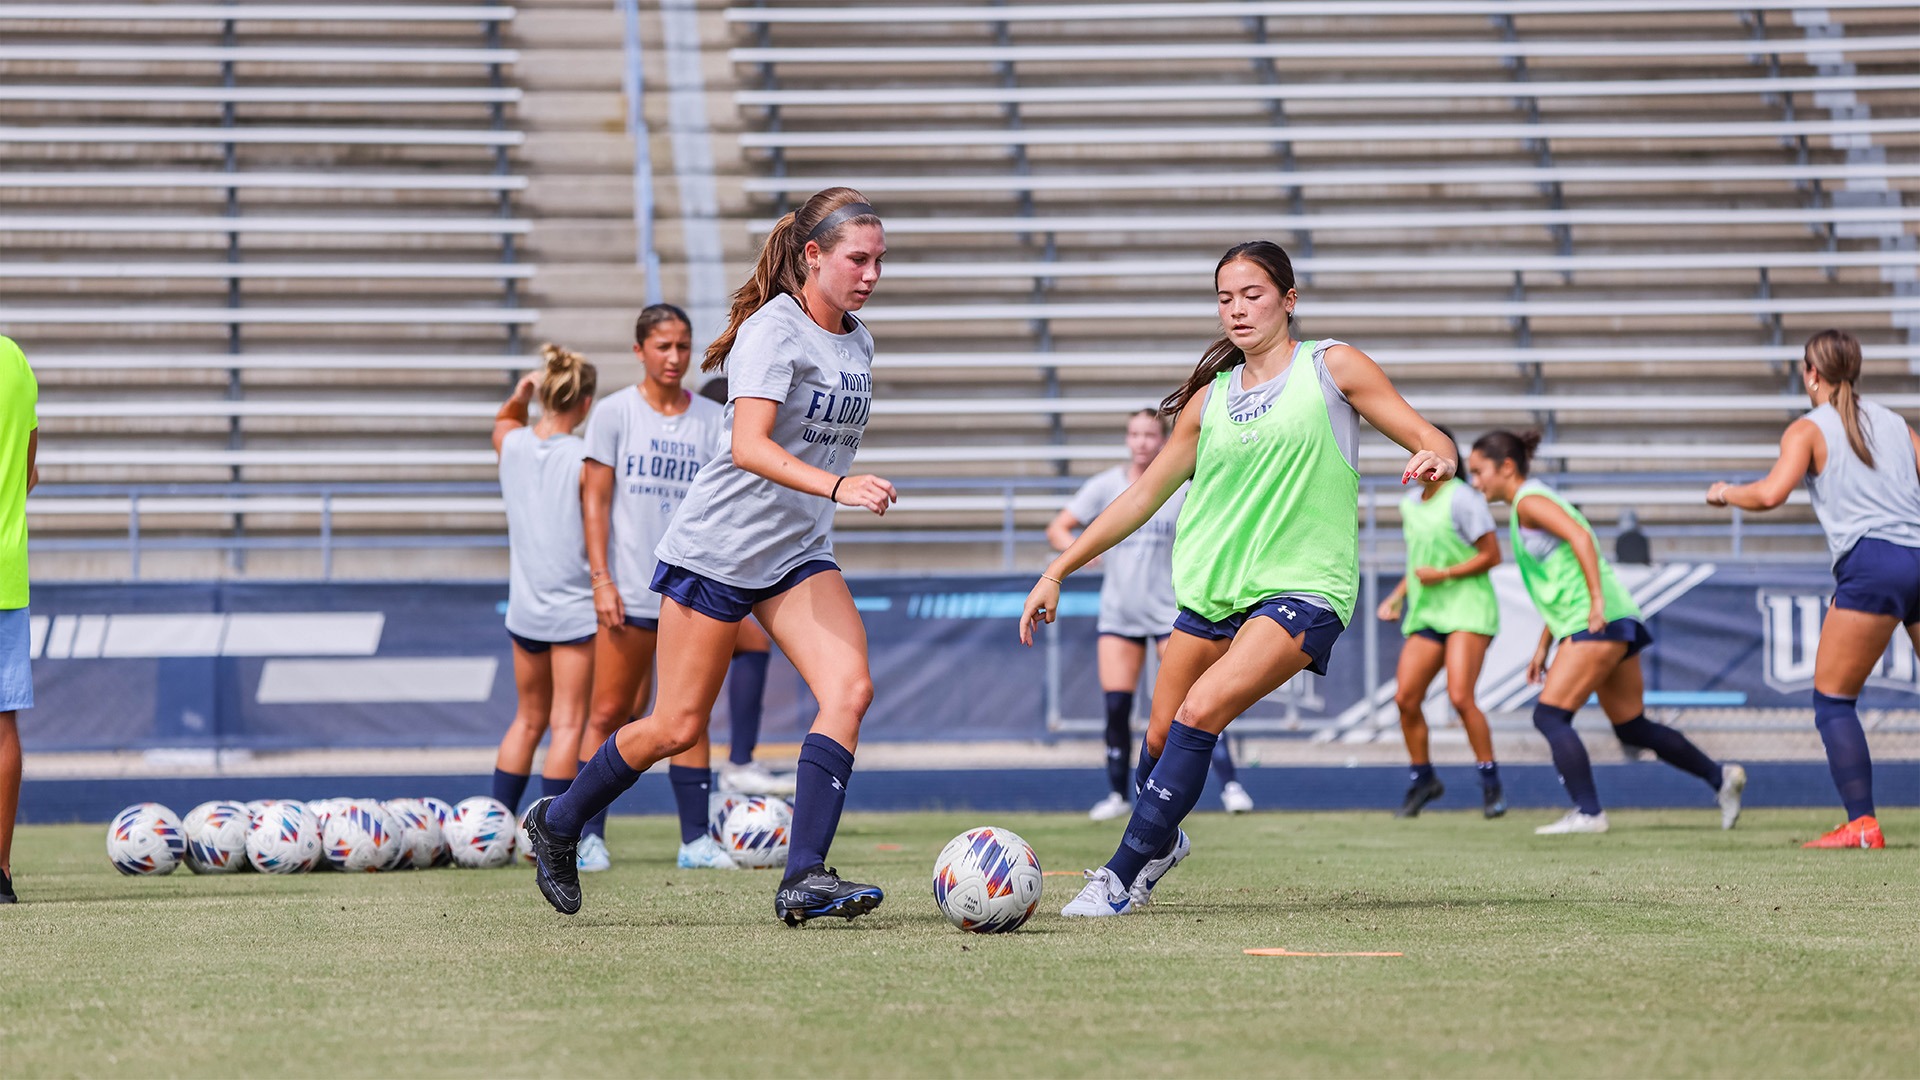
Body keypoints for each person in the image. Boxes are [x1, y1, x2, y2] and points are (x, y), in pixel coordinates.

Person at [1021, 240, 1458, 918]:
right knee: (1157, 745)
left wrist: (1439, 458)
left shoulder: (1332, 367)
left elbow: (1432, 437)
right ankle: (1162, 843)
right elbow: (1141, 498)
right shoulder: (1209, 400)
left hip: (1304, 588)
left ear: (1289, 299)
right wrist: (1057, 569)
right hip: (1211, 593)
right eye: (1225, 298)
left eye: (1252, 295)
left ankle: (1116, 879)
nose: (1237, 309)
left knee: (1200, 713)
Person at [524, 187, 893, 926]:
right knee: (676, 727)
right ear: (812, 256)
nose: (872, 275)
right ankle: (557, 823)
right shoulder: (772, 331)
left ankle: (804, 876)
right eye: (859, 259)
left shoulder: (859, 341)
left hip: (794, 553)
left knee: (850, 690)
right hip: (718, 551)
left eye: (880, 260)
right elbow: (748, 447)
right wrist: (838, 486)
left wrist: (827, 497)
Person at [1468, 430, 1747, 835]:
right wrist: (1544, 646)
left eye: (1479, 471)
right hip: (1615, 617)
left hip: (1595, 618)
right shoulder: (1531, 502)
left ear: (1506, 467)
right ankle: (1720, 777)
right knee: (1631, 725)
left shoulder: (1529, 501)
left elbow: (1581, 537)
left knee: (1550, 716)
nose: (1475, 481)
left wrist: (1595, 602)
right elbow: (1562, 579)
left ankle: (1589, 813)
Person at [1707, 328, 1920, 849]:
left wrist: (1726, 492)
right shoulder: (1897, 425)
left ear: (1811, 374)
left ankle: (1862, 824)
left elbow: (1770, 494)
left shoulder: (1807, 429)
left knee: (1833, 701)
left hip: (1872, 563)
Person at [572, 304, 732, 871]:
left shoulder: (712, 419)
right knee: (610, 711)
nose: (674, 357)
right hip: (630, 588)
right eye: (663, 346)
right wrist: (601, 579)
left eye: (683, 346)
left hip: (691, 589)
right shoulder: (614, 413)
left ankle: (696, 842)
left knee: (691, 716)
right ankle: (585, 835)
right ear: (639, 350)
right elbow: (595, 502)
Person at [1046, 409, 1253, 821]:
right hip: (1119, 614)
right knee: (1117, 707)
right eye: (1135, 434)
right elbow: (1058, 527)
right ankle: (1117, 795)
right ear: (1127, 439)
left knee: (1199, 701)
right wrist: (1080, 552)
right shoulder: (1105, 485)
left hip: (1168, 614)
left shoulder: (1182, 484)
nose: (1141, 442)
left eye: (1149, 434)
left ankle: (1230, 785)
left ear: (1163, 440)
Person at [490, 346, 599, 849]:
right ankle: (548, 838)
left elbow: (504, 421)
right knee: (567, 723)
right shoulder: (583, 457)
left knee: (527, 719)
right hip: (573, 608)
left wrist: (520, 395)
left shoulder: (511, 444)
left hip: (525, 608)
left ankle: (492, 832)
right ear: (586, 403)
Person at [1376, 424, 1504, 818]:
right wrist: (1398, 596)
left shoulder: (1463, 497)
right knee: (1405, 698)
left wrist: (1444, 575)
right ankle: (1423, 780)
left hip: (1467, 608)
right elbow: (1420, 562)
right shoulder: (1410, 504)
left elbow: (1492, 555)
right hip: (1428, 610)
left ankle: (1491, 783)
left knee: (1461, 697)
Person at [697, 376, 792, 799]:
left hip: (702, 572)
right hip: (677, 575)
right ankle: (571, 812)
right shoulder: (720, 445)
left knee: (665, 714)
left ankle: (736, 766)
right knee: (646, 713)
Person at [0, 335, 36, 904]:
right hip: (5, 571)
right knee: (2, 724)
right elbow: (29, 474)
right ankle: (0, 871)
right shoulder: (14, 360)